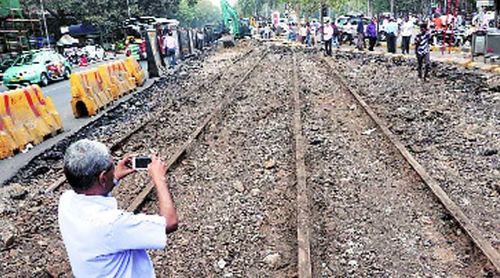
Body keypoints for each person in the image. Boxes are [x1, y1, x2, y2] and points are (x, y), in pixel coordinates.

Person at [58, 139, 178, 277]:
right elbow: (170, 222)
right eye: (112, 166)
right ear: (102, 178)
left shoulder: (66, 201)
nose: (115, 167)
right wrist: (159, 178)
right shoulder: (111, 224)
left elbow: (93, 192)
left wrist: (114, 178)